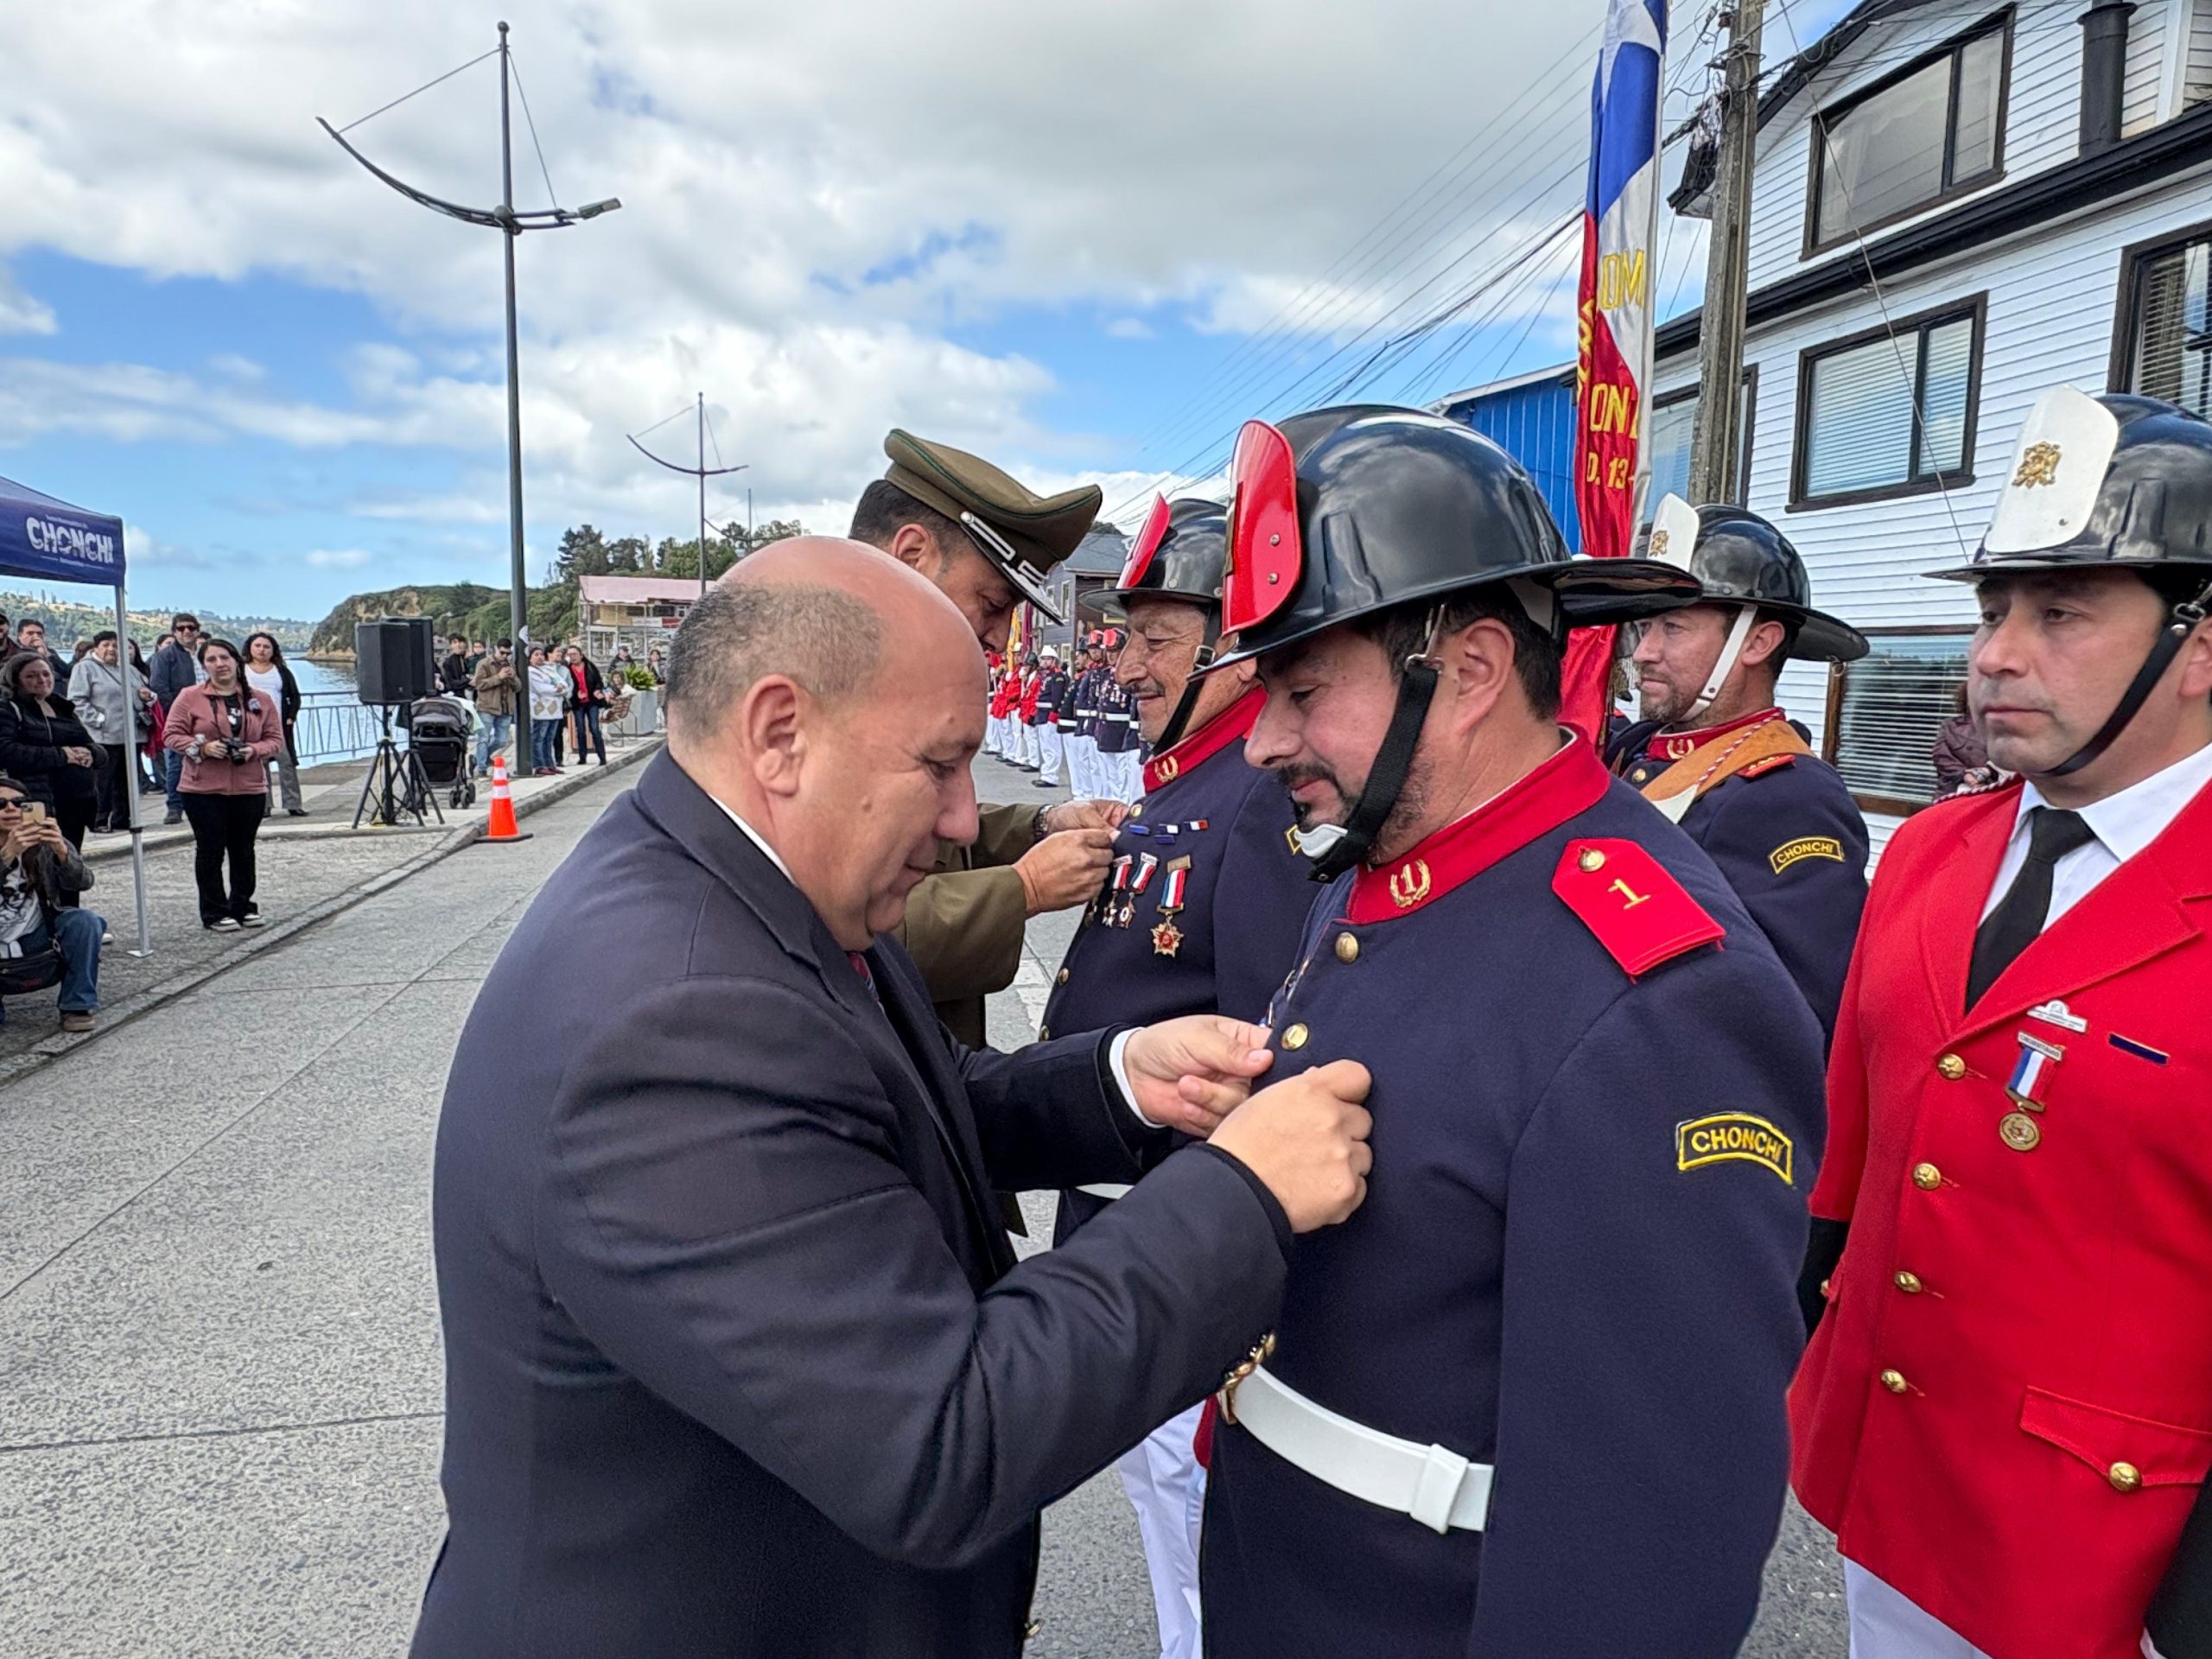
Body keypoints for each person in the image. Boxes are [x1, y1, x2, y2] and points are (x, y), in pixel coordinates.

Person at [410, 537, 1376, 1659]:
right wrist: (1241, 1193)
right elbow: (943, 1437)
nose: (970, 818)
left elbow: (893, 1105)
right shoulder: (669, 1017)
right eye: (939, 764)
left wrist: (1121, 1078)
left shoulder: (730, 885)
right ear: (781, 736)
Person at [1192, 406, 1826, 1659]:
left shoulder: (1664, 997)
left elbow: (1649, 1547)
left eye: (1304, 689)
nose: (1262, 738)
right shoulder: (1397, 860)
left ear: (1471, 673)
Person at [1790, 388, 2212, 1659]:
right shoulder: (1926, 850)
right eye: (1992, 611)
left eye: (2061, 613)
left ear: (2202, 643)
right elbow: (1854, 1157)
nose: (1994, 655)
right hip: (1889, 1483)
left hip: (2109, 1561)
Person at [1039, 497, 1314, 1659]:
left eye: (1158, 639)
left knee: (1194, 1511)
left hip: (1179, 1235)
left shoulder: (1252, 800)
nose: (1129, 664)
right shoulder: (1180, 781)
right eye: (1127, 636)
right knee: (1162, 1503)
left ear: (1233, 642)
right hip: (1125, 1220)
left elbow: (1269, 1042)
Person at [845, 429, 1121, 1047]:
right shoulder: (823, 692)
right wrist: (1022, 890)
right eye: (991, 603)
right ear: (912, 554)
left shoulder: (879, 679)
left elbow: (926, 837)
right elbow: (829, 926)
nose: (998, 639)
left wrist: (1044, 823)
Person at [1608, 496, 1872, 1039]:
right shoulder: (1634, 748)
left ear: (1757, 641)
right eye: (1646, 627)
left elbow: (1785, 1018)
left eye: (1673, 628)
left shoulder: (1790, 798)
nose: (1644, 652)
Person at [164, 638, 282, 931]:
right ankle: (215, 912)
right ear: (204, 666)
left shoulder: (260, 700)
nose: (219, 664)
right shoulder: (189, 697)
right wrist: (201, 748)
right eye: (212, 659)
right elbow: (171, 735)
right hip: (202, 788)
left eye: (224, 658)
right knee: (210, 849)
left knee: (244, 849)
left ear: (236, 660)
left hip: (249, 786)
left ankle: (243, 905)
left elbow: (275, 740)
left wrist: (253, 750)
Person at [0, 776, 102, 1032]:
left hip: (35, 935)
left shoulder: (42, 841)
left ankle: (77, 1006)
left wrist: (62, 852)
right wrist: (6, 856)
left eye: (19, 803)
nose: (11, 810)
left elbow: (83, 882)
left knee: (84, 921)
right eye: (1, 804)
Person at [0, 652, 101, 862]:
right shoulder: (8, 709)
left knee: (70, 864)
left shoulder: (62, 707)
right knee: (42, 866)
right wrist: (62, 755)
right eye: (31, 676)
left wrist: (91, 754)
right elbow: (7, 751)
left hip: (76, 801)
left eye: (46, 674)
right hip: (39, 800)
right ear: (15, 679)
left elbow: (92, 745)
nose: (41, 680)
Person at [67, 631, 155, 833]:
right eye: (106, 644)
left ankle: (122, 817)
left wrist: (146, 697)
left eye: (116, 645)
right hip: (104, 735)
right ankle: (99, 819)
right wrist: (98, 720)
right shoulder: (85, 668)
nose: (112, 649)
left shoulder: (130, 670)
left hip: (131, 734)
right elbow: (77, 700)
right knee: (102, 782)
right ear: (96, 647)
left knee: (127, 780)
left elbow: (142, 694)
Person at [149, 613, 207, 824]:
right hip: (181, 716)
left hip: (208, 715)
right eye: (181, 628)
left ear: (197, 630)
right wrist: (178, 712)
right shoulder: (165, 656)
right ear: (174, 632)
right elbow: (159, 687)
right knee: (176, 762)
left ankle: (202, 803)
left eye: (190, 628)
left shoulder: (205, 654)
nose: (186, 632)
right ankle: (174, 806)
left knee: (207, 759)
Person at [243, 632, 306, 817]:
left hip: (278, 726)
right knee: (259, 766)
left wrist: (291, 717)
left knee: (286, 763)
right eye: (258, 646)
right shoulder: (242, 670)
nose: (262, 650)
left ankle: (293, 803)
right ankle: (264, 805)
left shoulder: (281, 671)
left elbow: (294, 696)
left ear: (273, 650)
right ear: (250, 648)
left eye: (266, 646)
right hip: (253, 727)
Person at [1092, 627, 1140, 804]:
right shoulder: (1107, 674)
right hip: (1106, 731)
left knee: (1124, 778)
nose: (1111, 655)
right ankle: (1113, 806)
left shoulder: (1128, 674)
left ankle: (1122, 809)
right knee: (1110, 776)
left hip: (1122, 732)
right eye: (1109, 651)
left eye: (1114, 651)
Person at [1931, 679, 1993, 798]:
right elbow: (1941, 757)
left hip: (1990, 789)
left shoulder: (2002, 727)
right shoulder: (1950, 725)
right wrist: (1965, 775)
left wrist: (1986, 773)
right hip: (1953, 789)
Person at [470, 641, 520, 777]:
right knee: (483, 738)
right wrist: (499, 677)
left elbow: (518, 687)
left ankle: (477, 758)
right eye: (502, 652)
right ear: (495, 649)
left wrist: (512, 677)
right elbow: (479, 684)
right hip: (487, 707)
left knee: (501, 740)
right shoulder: (484, 664)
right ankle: (482, 768)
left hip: (505, 707)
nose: (504, 656)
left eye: (508, 653)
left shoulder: (510, 665)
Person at [564, 645, 609, 766]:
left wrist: (598, 690)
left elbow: (599, 682)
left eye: (574, 654)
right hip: (577, 703)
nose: (572, 657)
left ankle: (602, 756)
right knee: (580, 729)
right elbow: (566, 686)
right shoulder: (567, 669)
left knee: (594, 728)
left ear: (581, 655)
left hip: (591, 701)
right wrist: (575, 694)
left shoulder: (590, 666)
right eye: (570, 655)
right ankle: (582, 756)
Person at [526, 645, 567, 777]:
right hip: (541, 709)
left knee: (549, 738)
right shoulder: (530, 671)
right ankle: (539, 764)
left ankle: (550, 764)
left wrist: (559, 688)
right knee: (539, 738)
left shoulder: (549, 669)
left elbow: (564, 684)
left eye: (541, 654)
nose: (540, 657)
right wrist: (557, 689)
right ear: (530, 658)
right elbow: (541, 689)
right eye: (536, 655)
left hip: (555, 709)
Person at [1033, 646, 1069, 787]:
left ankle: (1051, 776)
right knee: (1045, 747)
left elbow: (1057, 698)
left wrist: (1054, 714)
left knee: (1052, 748)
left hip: (1049, 715)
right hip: (1042, 714)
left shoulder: (1058, 677)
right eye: (1043, 659)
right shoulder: (1047, 676)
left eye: (1048, 659)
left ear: (1054, 660)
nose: (1045, 661)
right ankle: (1046, 773)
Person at [12, 619, 70, 685]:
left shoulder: (50, 652)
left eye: (39, 634)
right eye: (30, 633)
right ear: (20, 636)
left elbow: (67, 673)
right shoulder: (12, 652)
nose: (36, 637)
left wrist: (47, 655)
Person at [441, 634, 474, 699]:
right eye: (455, 642)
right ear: (451, 645)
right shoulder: (448, 663)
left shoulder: (473, 658)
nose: (458, 645)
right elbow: (450, 683)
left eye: (460, 642)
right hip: (458, 697)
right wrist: (468, 681)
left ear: (465, 644)